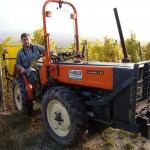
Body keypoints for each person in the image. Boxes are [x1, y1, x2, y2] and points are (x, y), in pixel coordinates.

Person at [16, 33, 45, 98]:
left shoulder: (36, 47)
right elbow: (18, 63)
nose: (26, 41)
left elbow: (47, 51)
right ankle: (38, 91)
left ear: (30, 39)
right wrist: (21, 68)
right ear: (22, 41)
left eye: (27, 39)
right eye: (24, 40)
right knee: (31, 71)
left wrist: (54, 54)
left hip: (40, 66)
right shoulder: (20, 52)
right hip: (29, 69)